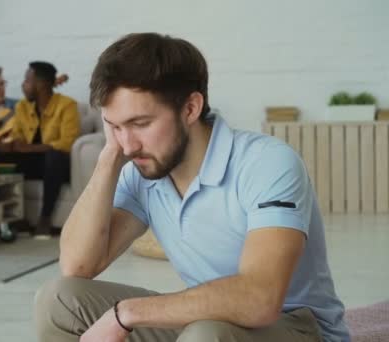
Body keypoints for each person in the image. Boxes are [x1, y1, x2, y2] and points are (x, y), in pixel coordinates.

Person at [35, 33, 349, 342]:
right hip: (211, 321)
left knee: (205, 334)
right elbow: (78, 266)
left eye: (140, 124)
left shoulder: (266, 162)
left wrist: (126, 313)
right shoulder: (141, 170)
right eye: (115, 126)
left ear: (190, 108)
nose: (128, 145)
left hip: (298, 326)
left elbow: (260, 298)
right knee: (59, 299)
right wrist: (109, 157)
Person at [0, 61, 80, 238]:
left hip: (56, 166)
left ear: (42, 84)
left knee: (54, 156)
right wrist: (8, 144)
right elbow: (17, 136)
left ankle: (45, 218)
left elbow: (67, 143)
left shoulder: (67, 105)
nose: (23, 85)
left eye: (27, 80)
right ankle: (11, 217)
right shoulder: (22, 107)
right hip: (33, 163)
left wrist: (30, 148)